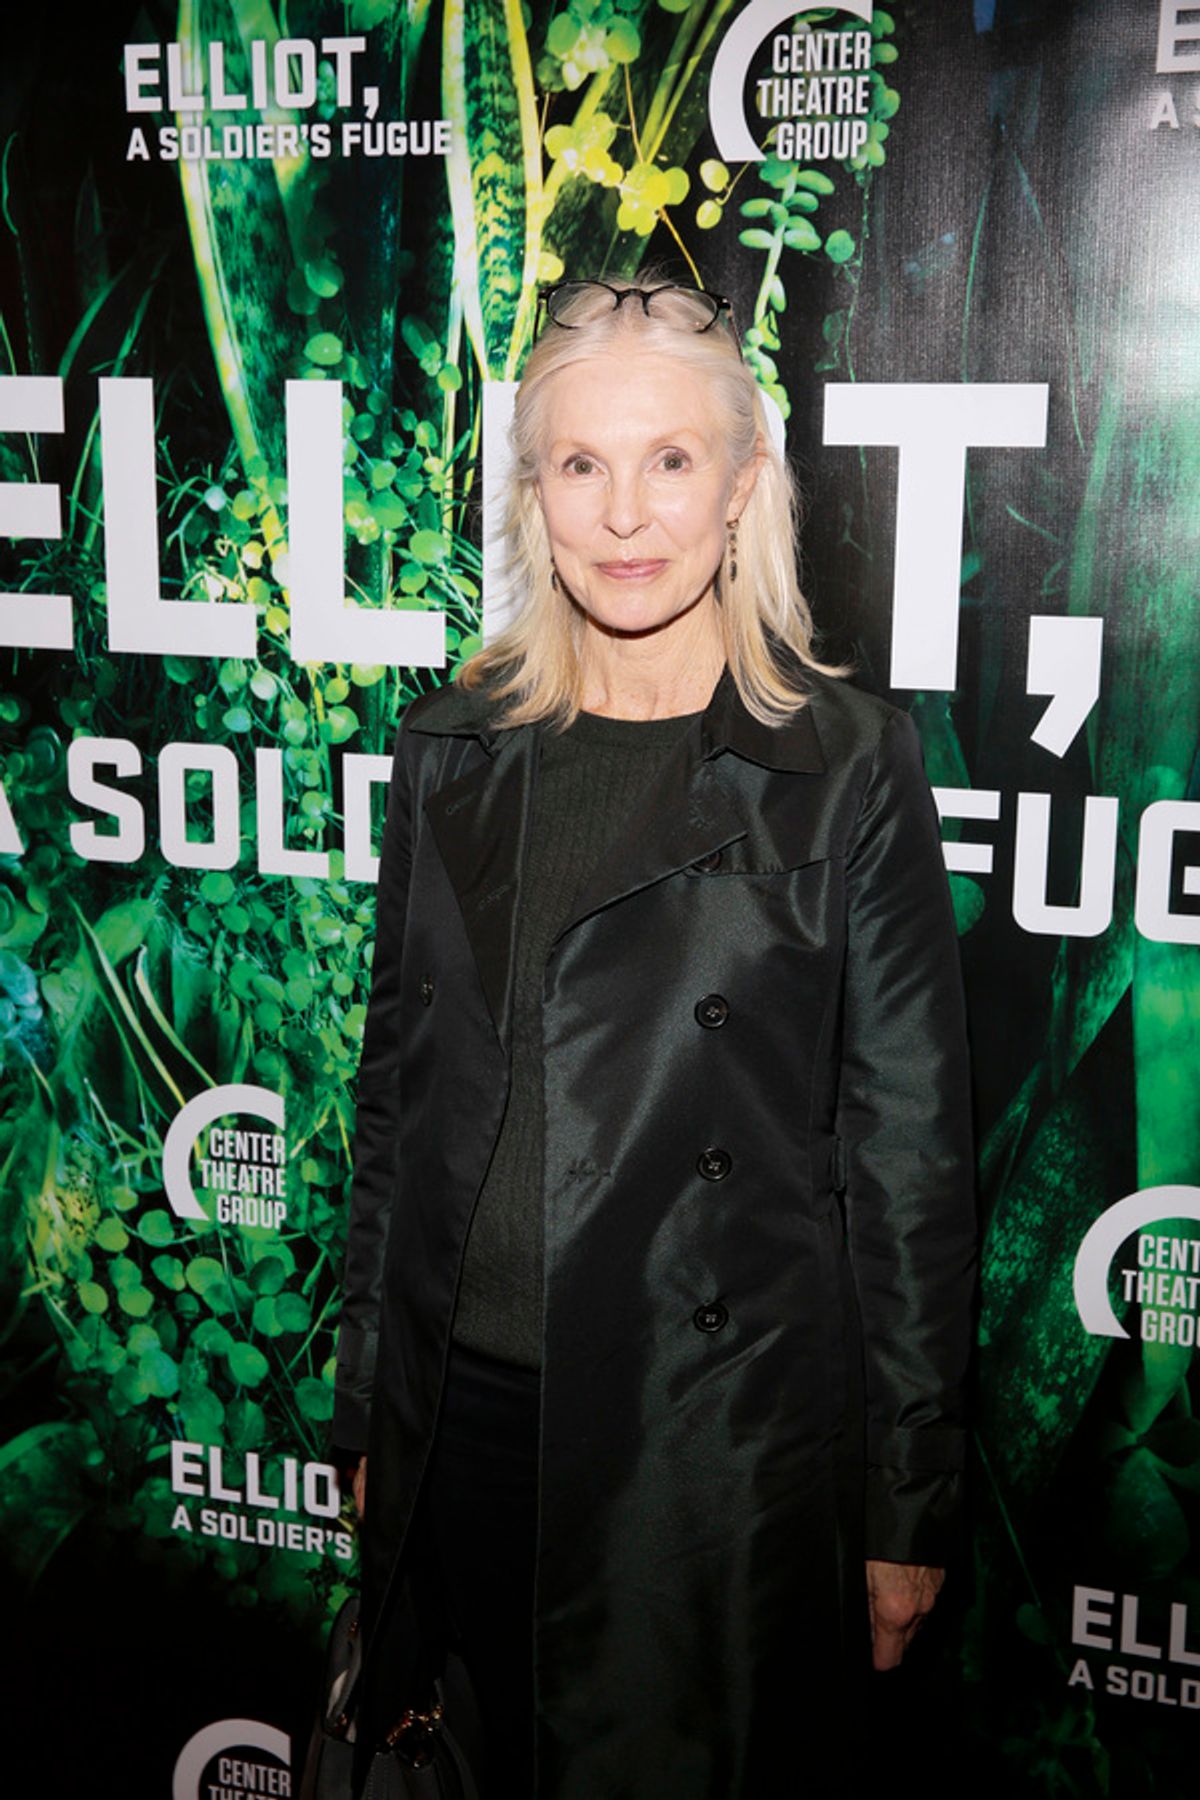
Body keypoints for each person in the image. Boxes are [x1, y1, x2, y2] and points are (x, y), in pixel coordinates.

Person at [333, 277, 976, 1799]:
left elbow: (907, 1168)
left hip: (707, 1455)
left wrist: (906, 1504)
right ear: (532, 497)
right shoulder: (452, 748)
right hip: (463, 1436)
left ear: (746, 486)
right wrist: (371, 1409)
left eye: (672, 461)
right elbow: (393, 1106)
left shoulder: (843, 769)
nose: (627, 513)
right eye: (581, 465)